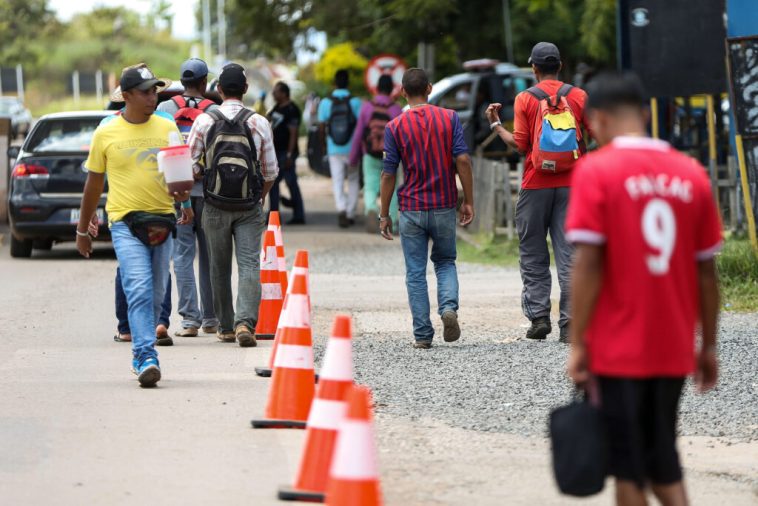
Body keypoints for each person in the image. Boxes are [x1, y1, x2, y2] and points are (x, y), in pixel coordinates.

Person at [565, 72, 721, 506]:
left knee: (629, 471)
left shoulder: (597, 171)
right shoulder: (690, 173)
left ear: (595, 121)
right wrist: (707, 345)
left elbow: (588, 265)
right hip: (673, 347)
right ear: (647, 114)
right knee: (663, 459)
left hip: (617, 349)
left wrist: (578, 343)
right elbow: (707, 273)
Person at [76, 64, 192, 387]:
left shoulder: (167, 127)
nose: (152, 96)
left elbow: (180, 176)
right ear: (125, 96)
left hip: (163, 221)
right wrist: (82, 230)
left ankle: (144, 347)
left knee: (156, 294)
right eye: (145, 91)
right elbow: (93, 185)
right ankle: (145, 355)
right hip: (125, 223)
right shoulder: (106, 132)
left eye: (155, 90)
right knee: (139, 287)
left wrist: (184, 201)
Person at [486, 41, 591, 342]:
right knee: (569, 252)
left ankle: (539, 318)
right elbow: (596, 135)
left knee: (532, 251)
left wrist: (495, 125)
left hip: (535, 185)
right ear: (561, 65)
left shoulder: (525, 99)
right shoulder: (579, 96)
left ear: (533, 68)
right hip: (573, 185)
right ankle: (570, 323)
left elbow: (520, 146)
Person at [380, 68, 475, 349]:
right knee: (445, 261)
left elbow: (388, 174)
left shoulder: (394, 127)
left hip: (410, 208)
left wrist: (385, 214)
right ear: (430, 88)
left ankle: (422, 335)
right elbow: (463, 161)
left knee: (415, 272)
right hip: (444, 204)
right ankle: (448, 308)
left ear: (402, 92)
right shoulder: (449, 118)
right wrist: (468, 199)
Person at [187, 63, 278, 347]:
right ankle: (245, 324)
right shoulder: (259, 122)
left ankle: (226, 326)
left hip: (213, 203)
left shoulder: (204, 120)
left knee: (218, 265)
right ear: (246, 89)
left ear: (219, 89)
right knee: (250, 264)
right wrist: (259, 196)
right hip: (249, 205)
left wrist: (202, 173)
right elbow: (270, 171)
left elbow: (189, 165)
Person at [156, 57, 220, 338]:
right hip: (209, 192)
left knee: (182, 255)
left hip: (177, 192)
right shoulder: (216, 111)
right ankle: (211, 318)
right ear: (205, 82)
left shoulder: (164, 109)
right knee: (209, 255)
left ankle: (189, 320)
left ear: (182, 82)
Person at [349, 74, 403, 233]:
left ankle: (371, 209)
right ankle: (391, 220)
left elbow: (359, 133)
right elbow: (403, 137)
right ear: (392, 89)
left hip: (370, 154)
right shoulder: (396, 109)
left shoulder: (367, 107)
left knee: (370, 186)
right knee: (391, 188)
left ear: (377, 87)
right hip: (391, 156)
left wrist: (353, 158)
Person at [318, 69, 363, 228]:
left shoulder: (325, 102)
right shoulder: (356, 102)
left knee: (337, 180)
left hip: (333, 148)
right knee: (353, 179)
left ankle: (341, 209)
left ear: (334, 83)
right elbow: (361, 127)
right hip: (352, 149)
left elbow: (322, 126)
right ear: (348, 83)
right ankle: (351, 213)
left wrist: (323, 146)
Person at [268, 81, 305, 224]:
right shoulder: (276, 107)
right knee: (273, 184)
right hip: (275, 152)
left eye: (276, 92)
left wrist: (290, 155)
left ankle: (299, 215)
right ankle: (274, 216)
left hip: (286, 153)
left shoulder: (292, 110)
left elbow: (293, 133)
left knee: (291, 182)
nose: (273, 94)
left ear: (284, 93)